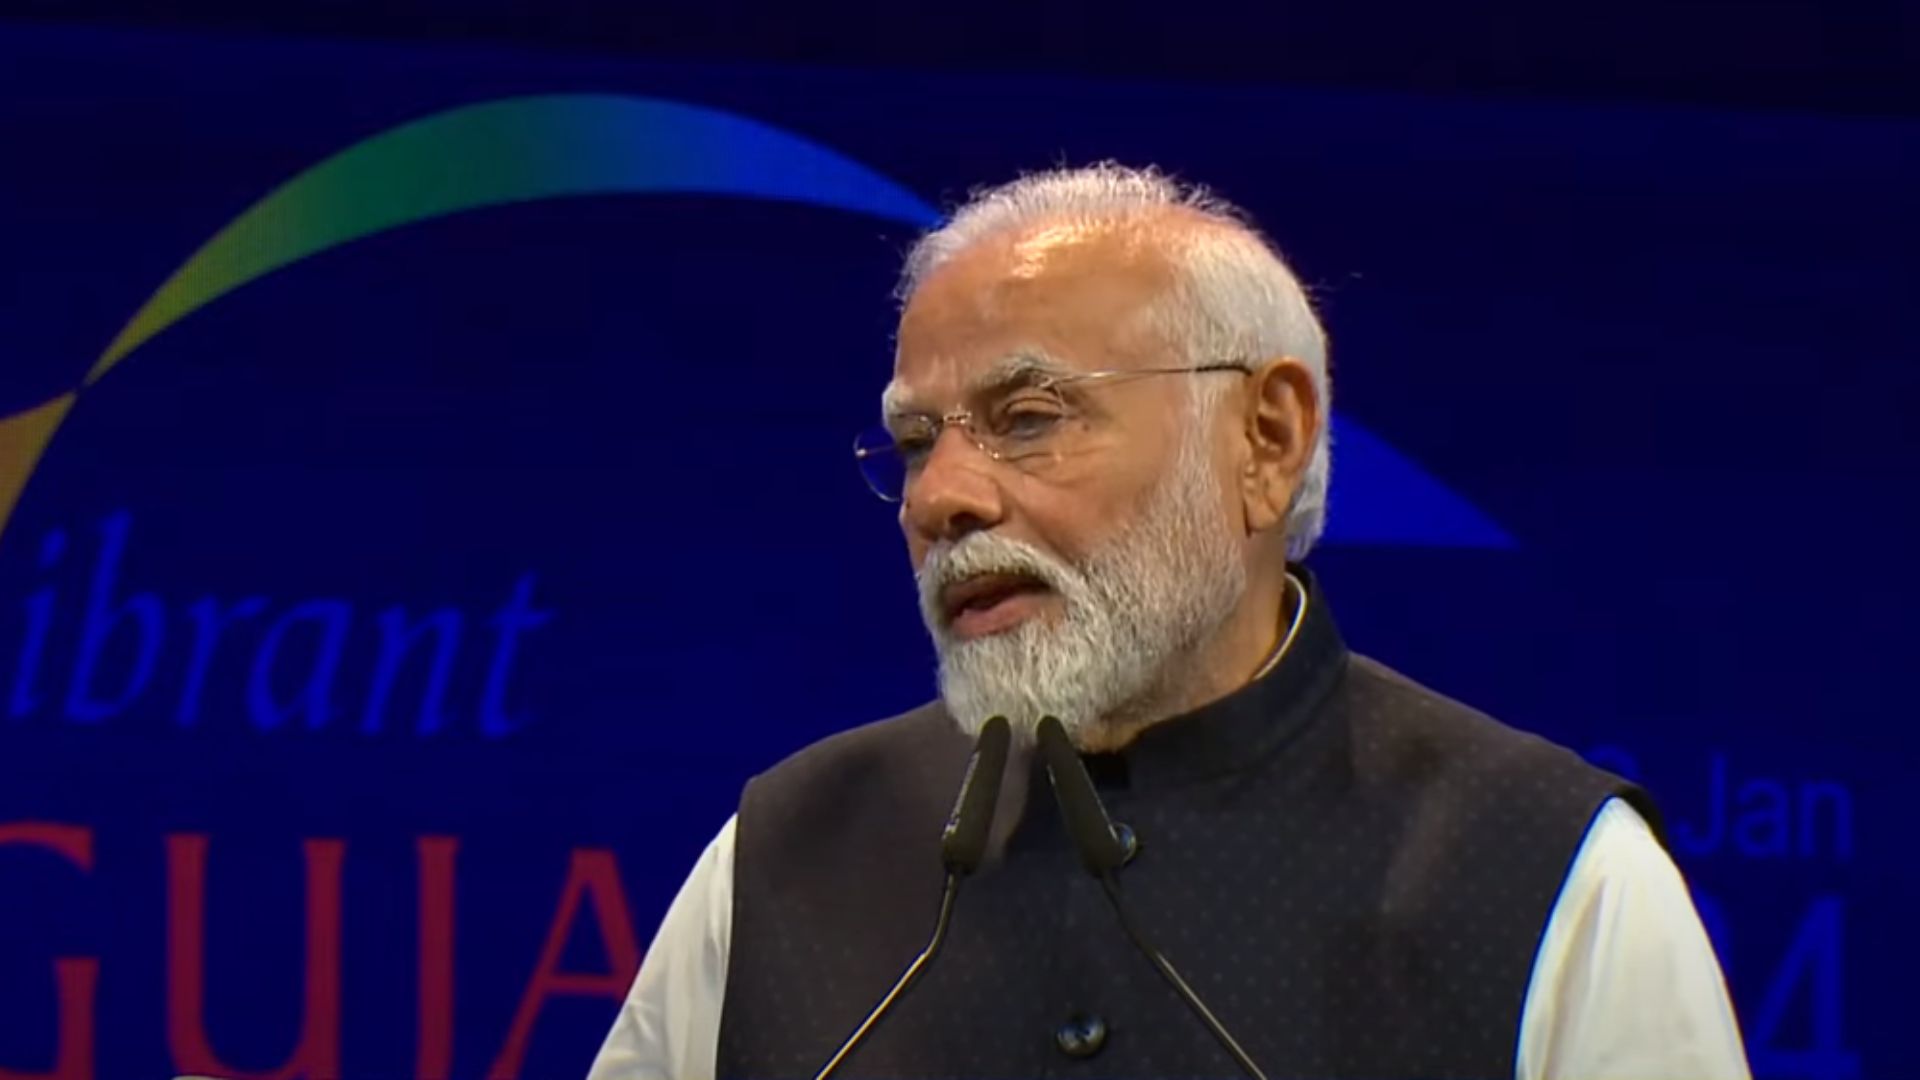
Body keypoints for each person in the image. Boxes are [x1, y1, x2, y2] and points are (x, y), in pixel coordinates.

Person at [588, 164, 1749, 1080]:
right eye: (914, 442)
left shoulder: (1545, 875)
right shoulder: (782, 857)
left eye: (1029, 417)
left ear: (1265, 442)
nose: (940, 498)